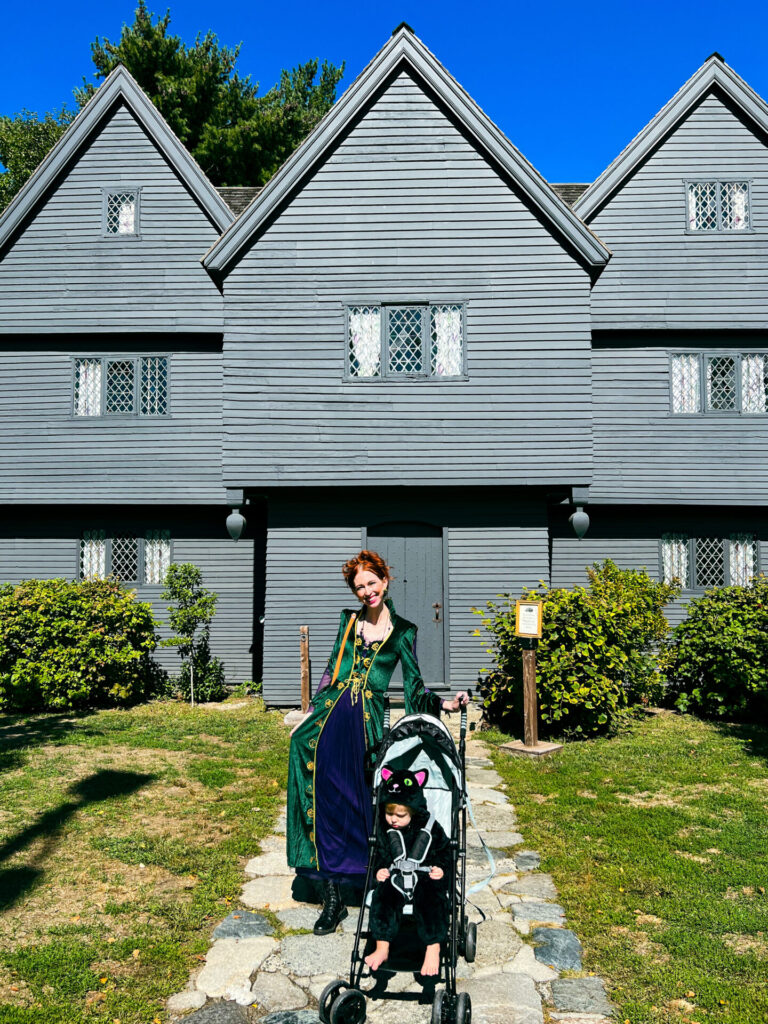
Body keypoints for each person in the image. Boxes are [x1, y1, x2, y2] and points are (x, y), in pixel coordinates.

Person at [286, 549, 469, 936]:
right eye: (359, 587)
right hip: (331, 718)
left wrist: (447, 705)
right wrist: (308, 715)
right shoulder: (348, 622)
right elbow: (330, 670)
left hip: (366, 722)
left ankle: (375, 878)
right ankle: (332, 899)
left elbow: (416, 688)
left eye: (372, 583)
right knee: (326, 800)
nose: (366, 591)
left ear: (385, 581)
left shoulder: (404, 631)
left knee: (362, 800)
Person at [364, 766, 451, 977]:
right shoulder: (386, 831)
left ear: (413, 810)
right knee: (383, 897)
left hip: (425, 877)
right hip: (395, 879)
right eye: (389, 813)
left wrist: (441, 868)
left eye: (400, 815)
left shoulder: (431, 828)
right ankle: (382, 946)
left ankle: (433, 948)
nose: (393, 819)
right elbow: (379, 856)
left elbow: (445, 852)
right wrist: (379, 871)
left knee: (432, 898)